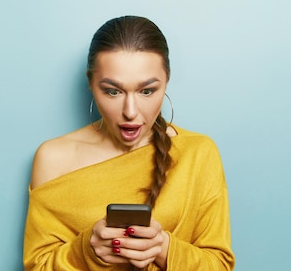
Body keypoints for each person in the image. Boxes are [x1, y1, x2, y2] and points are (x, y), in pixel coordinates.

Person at [23, 16, 235, 271]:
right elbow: (38, 266)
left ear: (166, 80)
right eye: (113, 91)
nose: (130, 112)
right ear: (91, 83)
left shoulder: (198, 153)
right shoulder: (53, 158)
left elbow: (220, 266)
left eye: (146, 91)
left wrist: (162, 248)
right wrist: (87, 251)